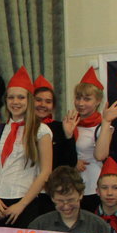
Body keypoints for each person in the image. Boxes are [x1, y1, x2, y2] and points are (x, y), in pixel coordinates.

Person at [0, 67, 52, 229]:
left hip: (24, 200)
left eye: (21, 97)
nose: (15, 102)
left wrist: (22, 204)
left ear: (29, 101)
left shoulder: (41, 130)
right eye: (11, 97)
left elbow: (45, 172)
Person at [67, 67, 117, 212]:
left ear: (98, 101)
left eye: (87, 99)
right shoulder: (70, 122)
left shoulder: (103, 126)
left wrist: (106, 121)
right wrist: (72, 161)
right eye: (78, 98)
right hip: (71, 187)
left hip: (93, 187)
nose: (81, 103)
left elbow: (100, 155)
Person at [33, 75, 78, 212]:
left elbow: (70, 163)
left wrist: (68, 135)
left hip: (50, 192)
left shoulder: (60, 127)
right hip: (24, 189)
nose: (42, 105)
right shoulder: (20, 128)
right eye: (38, 100)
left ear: (53, 106)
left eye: (48, 101)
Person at [94, 157, 117, 233]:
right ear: (97, 191)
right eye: (104, 188)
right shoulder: (90, 220)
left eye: (115, 188)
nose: (109, 193)